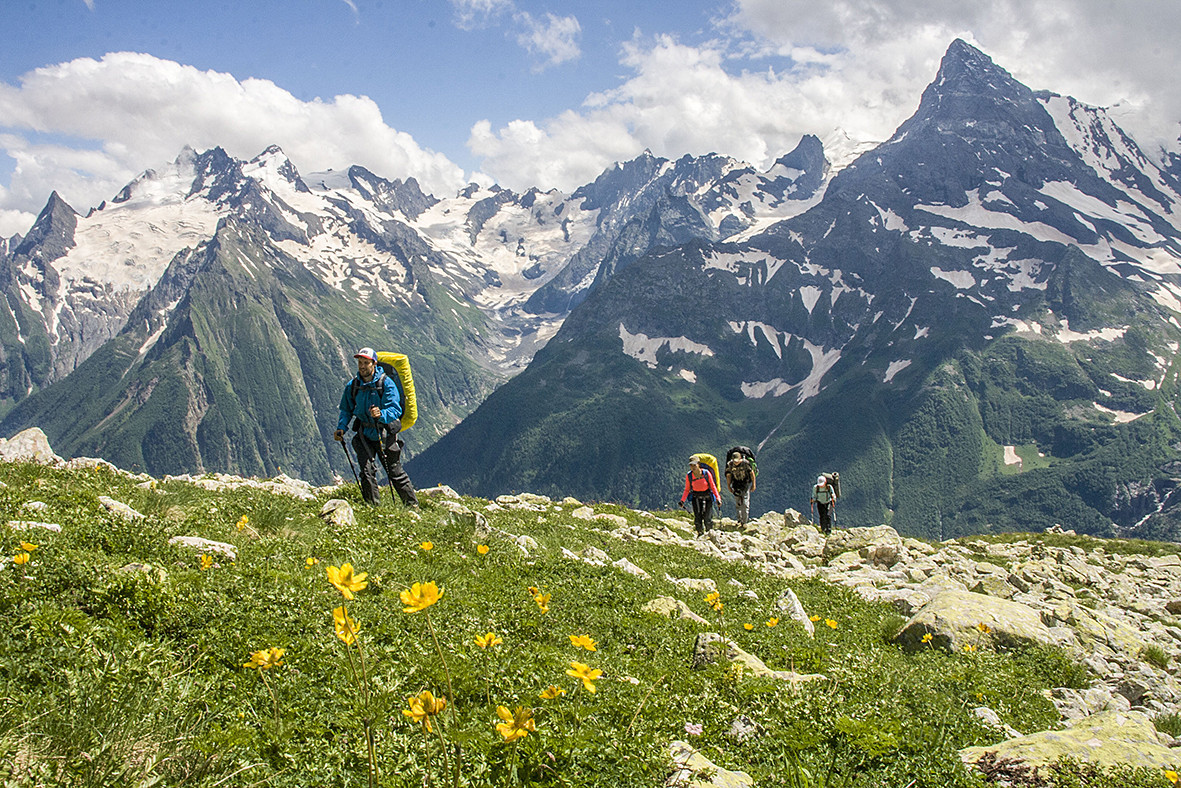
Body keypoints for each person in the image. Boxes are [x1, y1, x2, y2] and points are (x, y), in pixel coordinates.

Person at [335, 347, 418, 508]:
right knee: (366, 472)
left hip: (384, 433)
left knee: (394, 471)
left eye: (366, 363)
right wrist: (341, 428)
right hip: (364, 433)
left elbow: (395, 409)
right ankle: (373, 507)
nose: (362, 366)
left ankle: (412, 505)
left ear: (374, 363)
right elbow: (346, 409)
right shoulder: (353, 386)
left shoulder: (386, 383)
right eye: (360, 362)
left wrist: (381, 414)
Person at [681, 457, 721, 536]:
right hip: (696, 498)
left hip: (707, 497)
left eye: (694, 465)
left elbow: (713, 487)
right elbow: (687, 489)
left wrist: (718, 498)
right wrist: (682, 501)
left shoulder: (706, 473)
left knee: (707, 517)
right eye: (691, 465)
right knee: (697, 518)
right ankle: (700, 533)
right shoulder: (689, 476)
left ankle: (710, 534)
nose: (693, 467)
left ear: (698, 465)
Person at [725, 450, 756, 526]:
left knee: (745, 504)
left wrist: (753, 485)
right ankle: (739, 520)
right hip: (735, 484)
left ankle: (744, 521)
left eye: (737, 461)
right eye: (734, 461)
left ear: (740, 458)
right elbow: (728, 475)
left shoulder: (746, 464)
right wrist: (729, 486)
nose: (736, 462)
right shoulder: (730, 464)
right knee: (738, 503)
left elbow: (752, 474)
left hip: (745, 484)